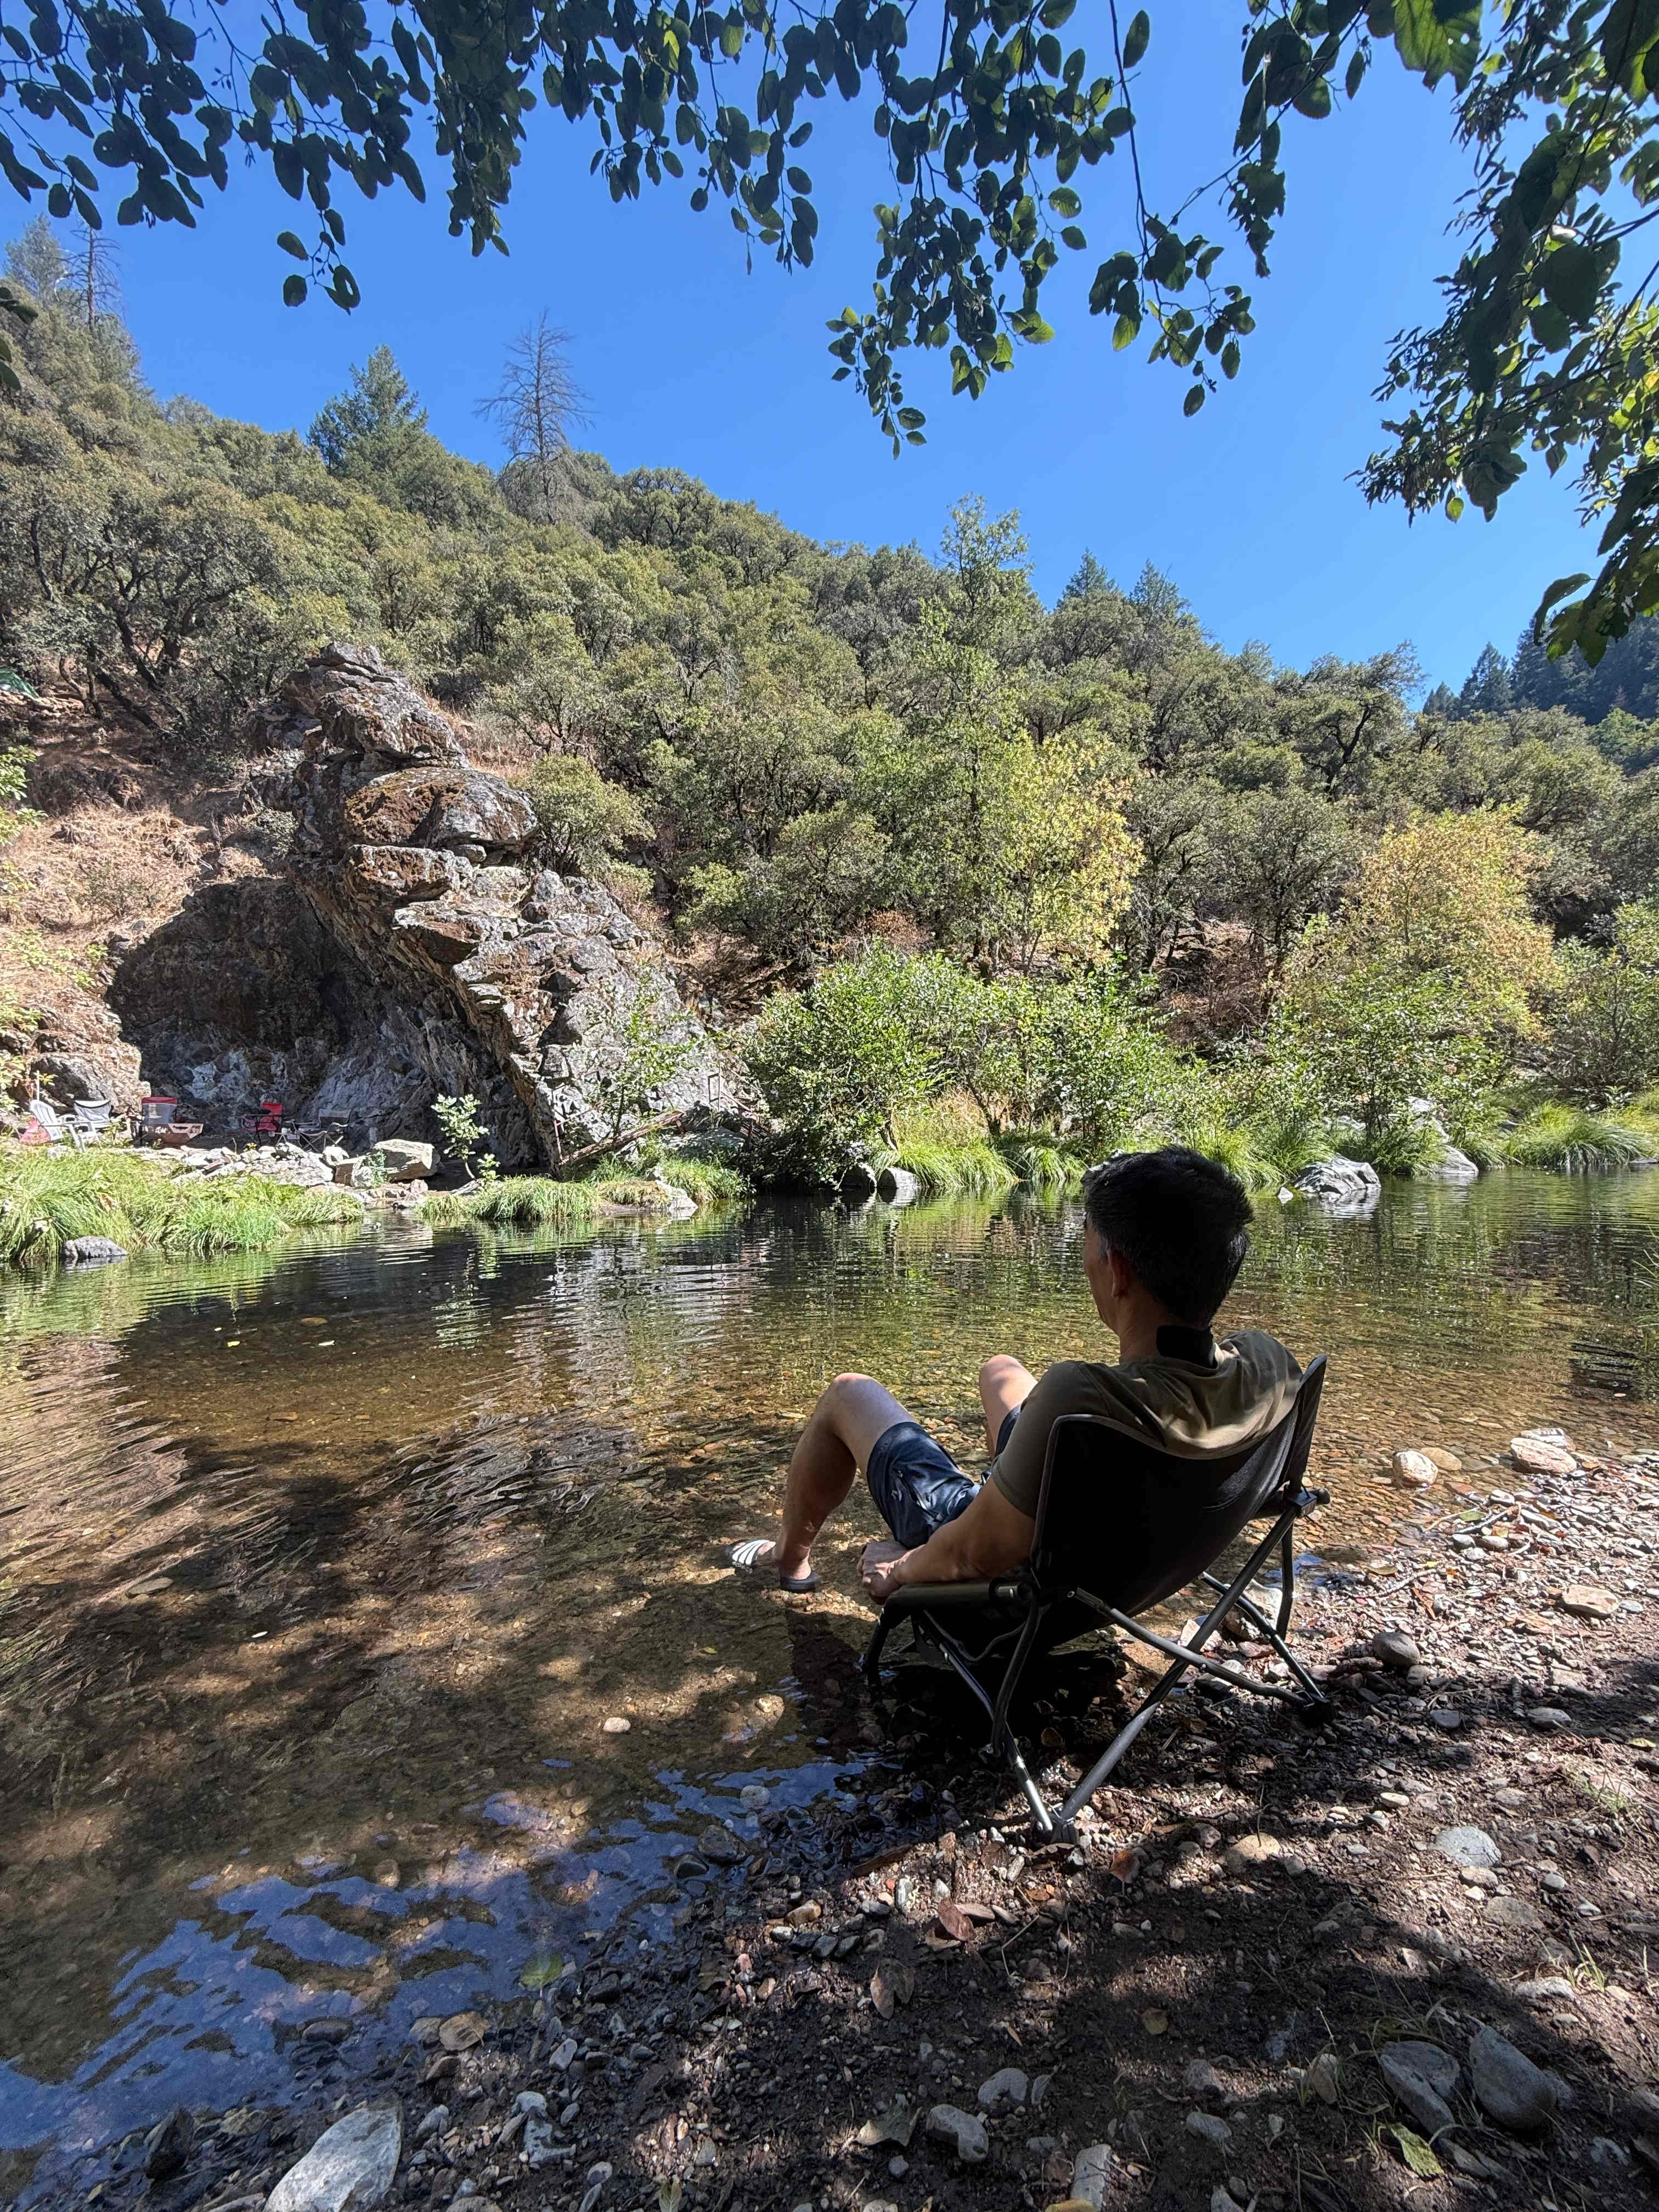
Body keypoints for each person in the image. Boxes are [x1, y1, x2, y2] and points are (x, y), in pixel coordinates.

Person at [729, 1146, 1302, 1602]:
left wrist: (900, 1569)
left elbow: (973, 1555)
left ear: (1118, 1271)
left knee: (848, 1394)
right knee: (1000, 1371)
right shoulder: (1270, 1365)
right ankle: (1010, 1490)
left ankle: (789, 1558)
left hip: (1014, 1579)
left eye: (1090, 1239)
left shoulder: (1083, 1398)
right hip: (1130, 1568)